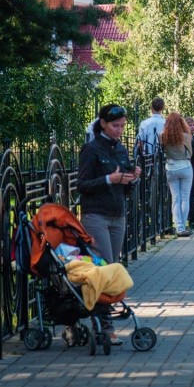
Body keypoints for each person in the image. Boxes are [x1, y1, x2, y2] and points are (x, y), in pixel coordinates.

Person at [77, 103, 141, 345]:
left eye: (123, 126)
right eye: (116, 125)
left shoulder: (120, 149)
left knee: (113, 269)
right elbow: (82, 185)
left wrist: (131, 179)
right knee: (104, 269)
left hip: (117, 213)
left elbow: (123, 185)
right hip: (96, 215)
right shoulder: (91, 149)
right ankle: (105, 325)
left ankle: (105, 319)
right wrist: (109, 178)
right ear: (103, 123)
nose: (120, 130)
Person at [161, 112, 193, 237]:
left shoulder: (163, 136)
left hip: (170, 167)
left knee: (175, 198)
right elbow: (189, 152)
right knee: (185, 197)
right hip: (185, 166)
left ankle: (179, 227)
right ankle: (183, 226)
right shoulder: (185, 136)